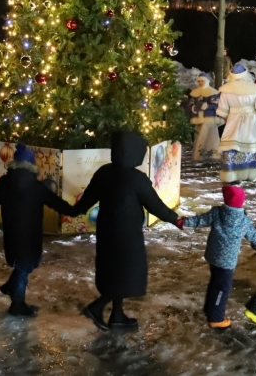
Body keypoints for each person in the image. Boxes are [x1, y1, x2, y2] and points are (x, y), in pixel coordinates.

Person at [72, 130, 183, 332]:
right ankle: (96, 308)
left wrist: (70, 210)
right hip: (127, 235)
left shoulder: (104, 173)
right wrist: (176, 220)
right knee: (125, 273)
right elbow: (156, 206)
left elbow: (86, 200)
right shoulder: (136, 179)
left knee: (114, 272)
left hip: (106, 232)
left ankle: (117, 315)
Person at [0, 144, 77, 316]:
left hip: (12, 233)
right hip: (30, 235)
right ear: (31, 165)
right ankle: (17, 304)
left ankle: (9, 287)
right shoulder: (37, 187)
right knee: (24, 267)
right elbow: (56, 203)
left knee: (22, 265)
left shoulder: (5, 184)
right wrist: (75, 211)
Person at [181, 184, 256, 329]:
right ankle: (216, 318)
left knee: (215, 282)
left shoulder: (217, 212)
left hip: (213, 256)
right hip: (227, 262)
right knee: (222, 288)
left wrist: (184, 222)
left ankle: (209, 309)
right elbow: (255, 238)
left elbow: (200, 220)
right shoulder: (243, 221)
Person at [215, 63, 256, 182]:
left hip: (233, 121)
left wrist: (230, 117)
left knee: (232, 145)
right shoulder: (254, 89)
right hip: (251, 121)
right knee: (250, 145)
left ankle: (231, 173)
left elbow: (222, 111)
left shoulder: (226, 90)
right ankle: (251, 173)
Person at [188, 74, 223, 163]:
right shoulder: (195, 93)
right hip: (199, 118)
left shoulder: (212, 92)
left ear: (206, 81)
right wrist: (194, 108)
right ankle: (201, 155)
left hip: (209, 118)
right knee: (198, 135)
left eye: (202, 81)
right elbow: (191, 104)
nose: (200, 83)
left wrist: (207, 106)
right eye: (199, 81)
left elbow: (216, 105)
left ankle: (211, 154)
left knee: (208, 137)